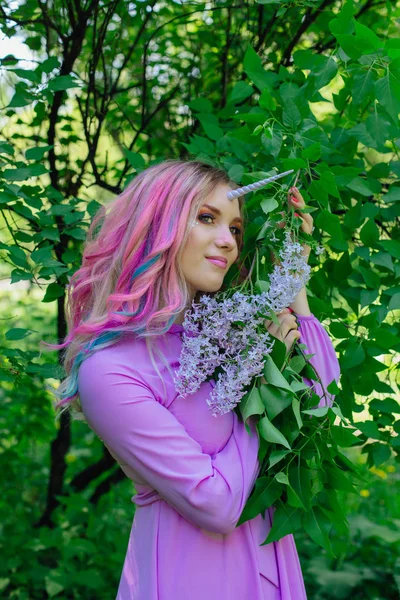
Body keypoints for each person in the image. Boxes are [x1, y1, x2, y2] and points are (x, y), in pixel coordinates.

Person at [54, 159, 340, 599]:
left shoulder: (222, 330)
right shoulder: (110, 371)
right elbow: (216, 503)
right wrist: (262, 382)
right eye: (207, 218)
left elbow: (319, 405)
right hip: (190, 576)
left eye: (236, 229)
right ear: (157, 225)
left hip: (269, 569)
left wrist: (293, 280)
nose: (227, 241)